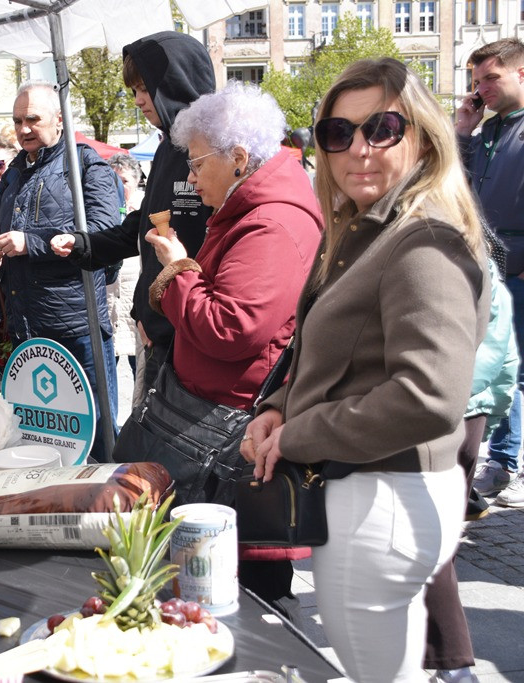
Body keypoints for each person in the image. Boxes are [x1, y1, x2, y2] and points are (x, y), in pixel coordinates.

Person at [243, 58, 490, 683]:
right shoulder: (368, 227)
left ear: (424, 136)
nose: (358, 148)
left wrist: (300, 433)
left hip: (381, 500)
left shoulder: (422, 239)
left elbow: (429, 396)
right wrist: (276, 405)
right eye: (337, 133)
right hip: (376, 496)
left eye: (382, 127)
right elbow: (327, 347)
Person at [141, 81, 322, 623]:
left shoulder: (271, 221)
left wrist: (176, 269)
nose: (190, 178)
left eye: (196, 165)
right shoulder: (255, 207)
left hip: (229, 438)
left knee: (236, 593)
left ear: (239, 158)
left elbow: (230, 327)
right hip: (218, 427)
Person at [49, 31, 215, 402]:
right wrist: (82, 243)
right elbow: (141, 226)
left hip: (198, 341)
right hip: (159, 333)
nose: (139, 100)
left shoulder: (212, 150)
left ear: (174, 83)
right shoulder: (166, 148)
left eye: (146, 87)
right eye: (134, 90)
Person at [0, 81, 121, 462]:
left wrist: (31, 243)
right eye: (18, 120)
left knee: (96, 435)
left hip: (77, 327)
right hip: (26, 326)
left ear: (59, 119)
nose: (23, 129)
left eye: (33, 119)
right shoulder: (15, 171)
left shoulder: (87, 165)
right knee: (39, 438)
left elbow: (103, 237)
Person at [424, 240, 518, 683]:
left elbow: (491, 356)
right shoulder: (478, 258)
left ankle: (454, 666)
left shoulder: (455, 258)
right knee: (433, 540)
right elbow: (505, 361)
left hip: (442, 415)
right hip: (465, 414)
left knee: (428, 541)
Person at [454, 38, 524, 506]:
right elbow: (451, 183)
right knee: (492, 364)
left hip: (516, 270)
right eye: (477, 82)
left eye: (491, 78)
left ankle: (504, 461)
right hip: (487, 268)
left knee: (510, 368)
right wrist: (462, 130)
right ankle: (495, 459)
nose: (482, 89)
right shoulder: (489, 132)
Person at [104, 153, 143, 392]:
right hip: (110, 303)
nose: (119, 186)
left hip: (133, 303)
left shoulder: (144, 207)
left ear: (136, 181)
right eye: (113, 180)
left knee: (139, 369)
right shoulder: (103, 208)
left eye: (124, 181)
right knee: (108, 372)